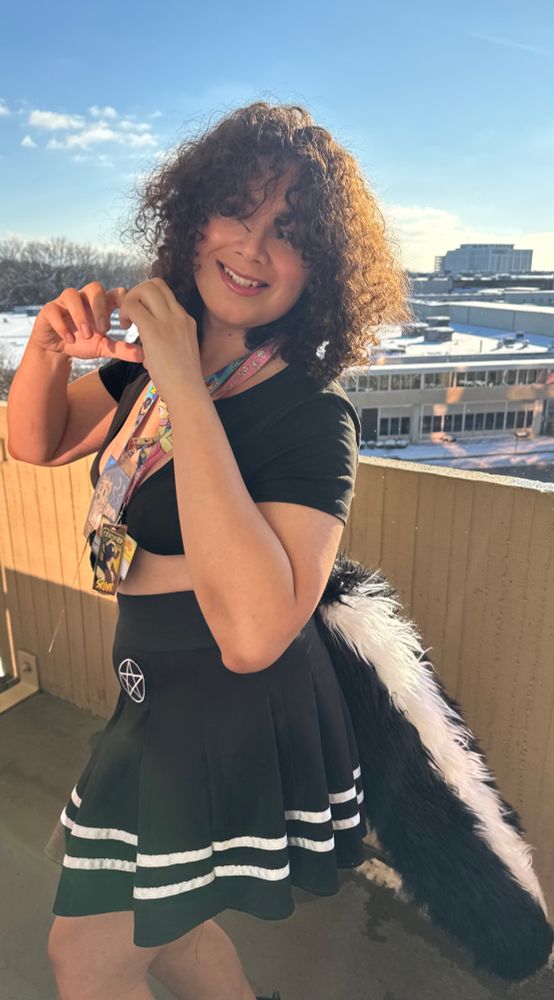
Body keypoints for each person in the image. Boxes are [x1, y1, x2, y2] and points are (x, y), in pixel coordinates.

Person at [7, 101, 411, 1000]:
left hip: (230, 720)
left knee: (87, 956)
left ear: (322, 269)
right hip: (153, 696)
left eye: (289, 233)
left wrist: (183, 380)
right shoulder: (151, 361)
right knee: (175, 932)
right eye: (236, 208)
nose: (253, 247)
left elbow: (256, 634)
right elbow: (37, 442)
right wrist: (47, 348)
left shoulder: (311, 416)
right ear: (191, 219)